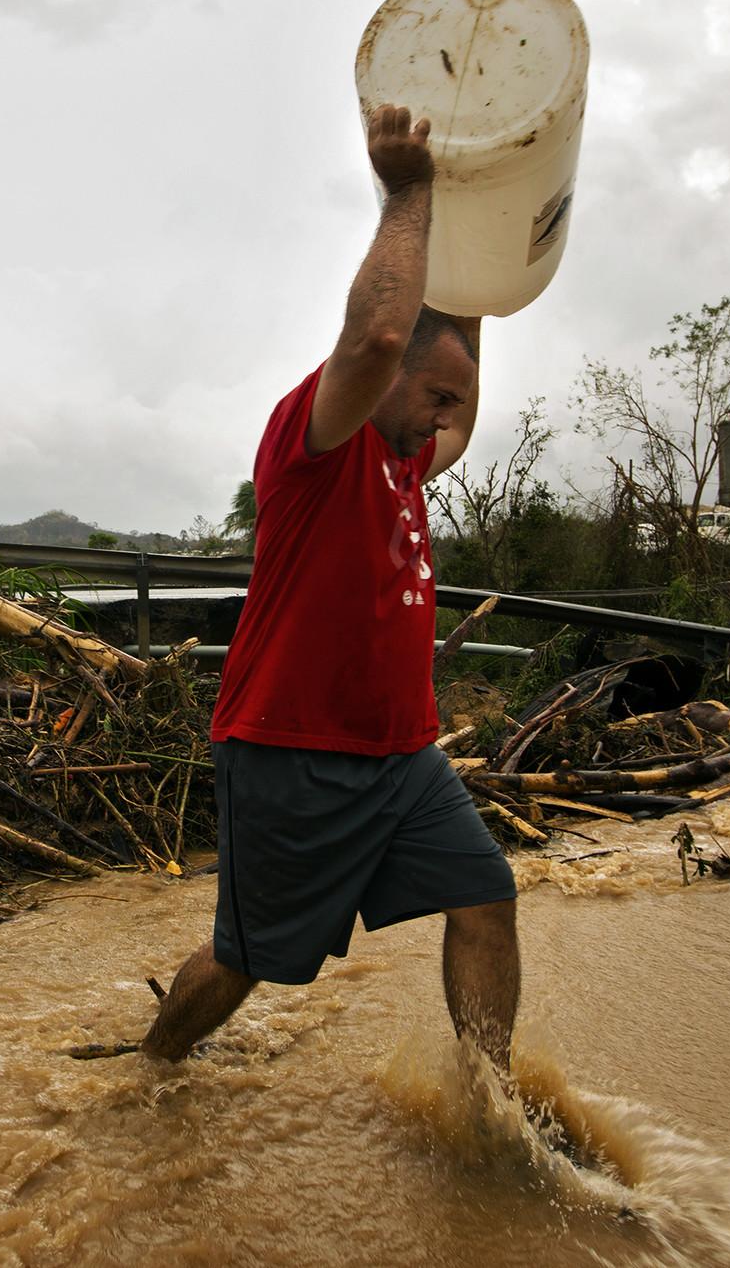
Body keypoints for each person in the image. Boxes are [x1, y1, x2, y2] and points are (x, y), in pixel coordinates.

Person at [142, 106, 520, 1074]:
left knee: (485, 893)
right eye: (432, 397)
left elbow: (438, 358)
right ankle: (152, 1071)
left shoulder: (402, 462)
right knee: (245, 961)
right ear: (386, 378)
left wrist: (476, 262)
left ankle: (488, 1101)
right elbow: (382, 330)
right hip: (289, 750)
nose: (443, 423)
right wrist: (406, 194)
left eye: (451, 406)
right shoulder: (312, 444)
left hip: (400, 754)